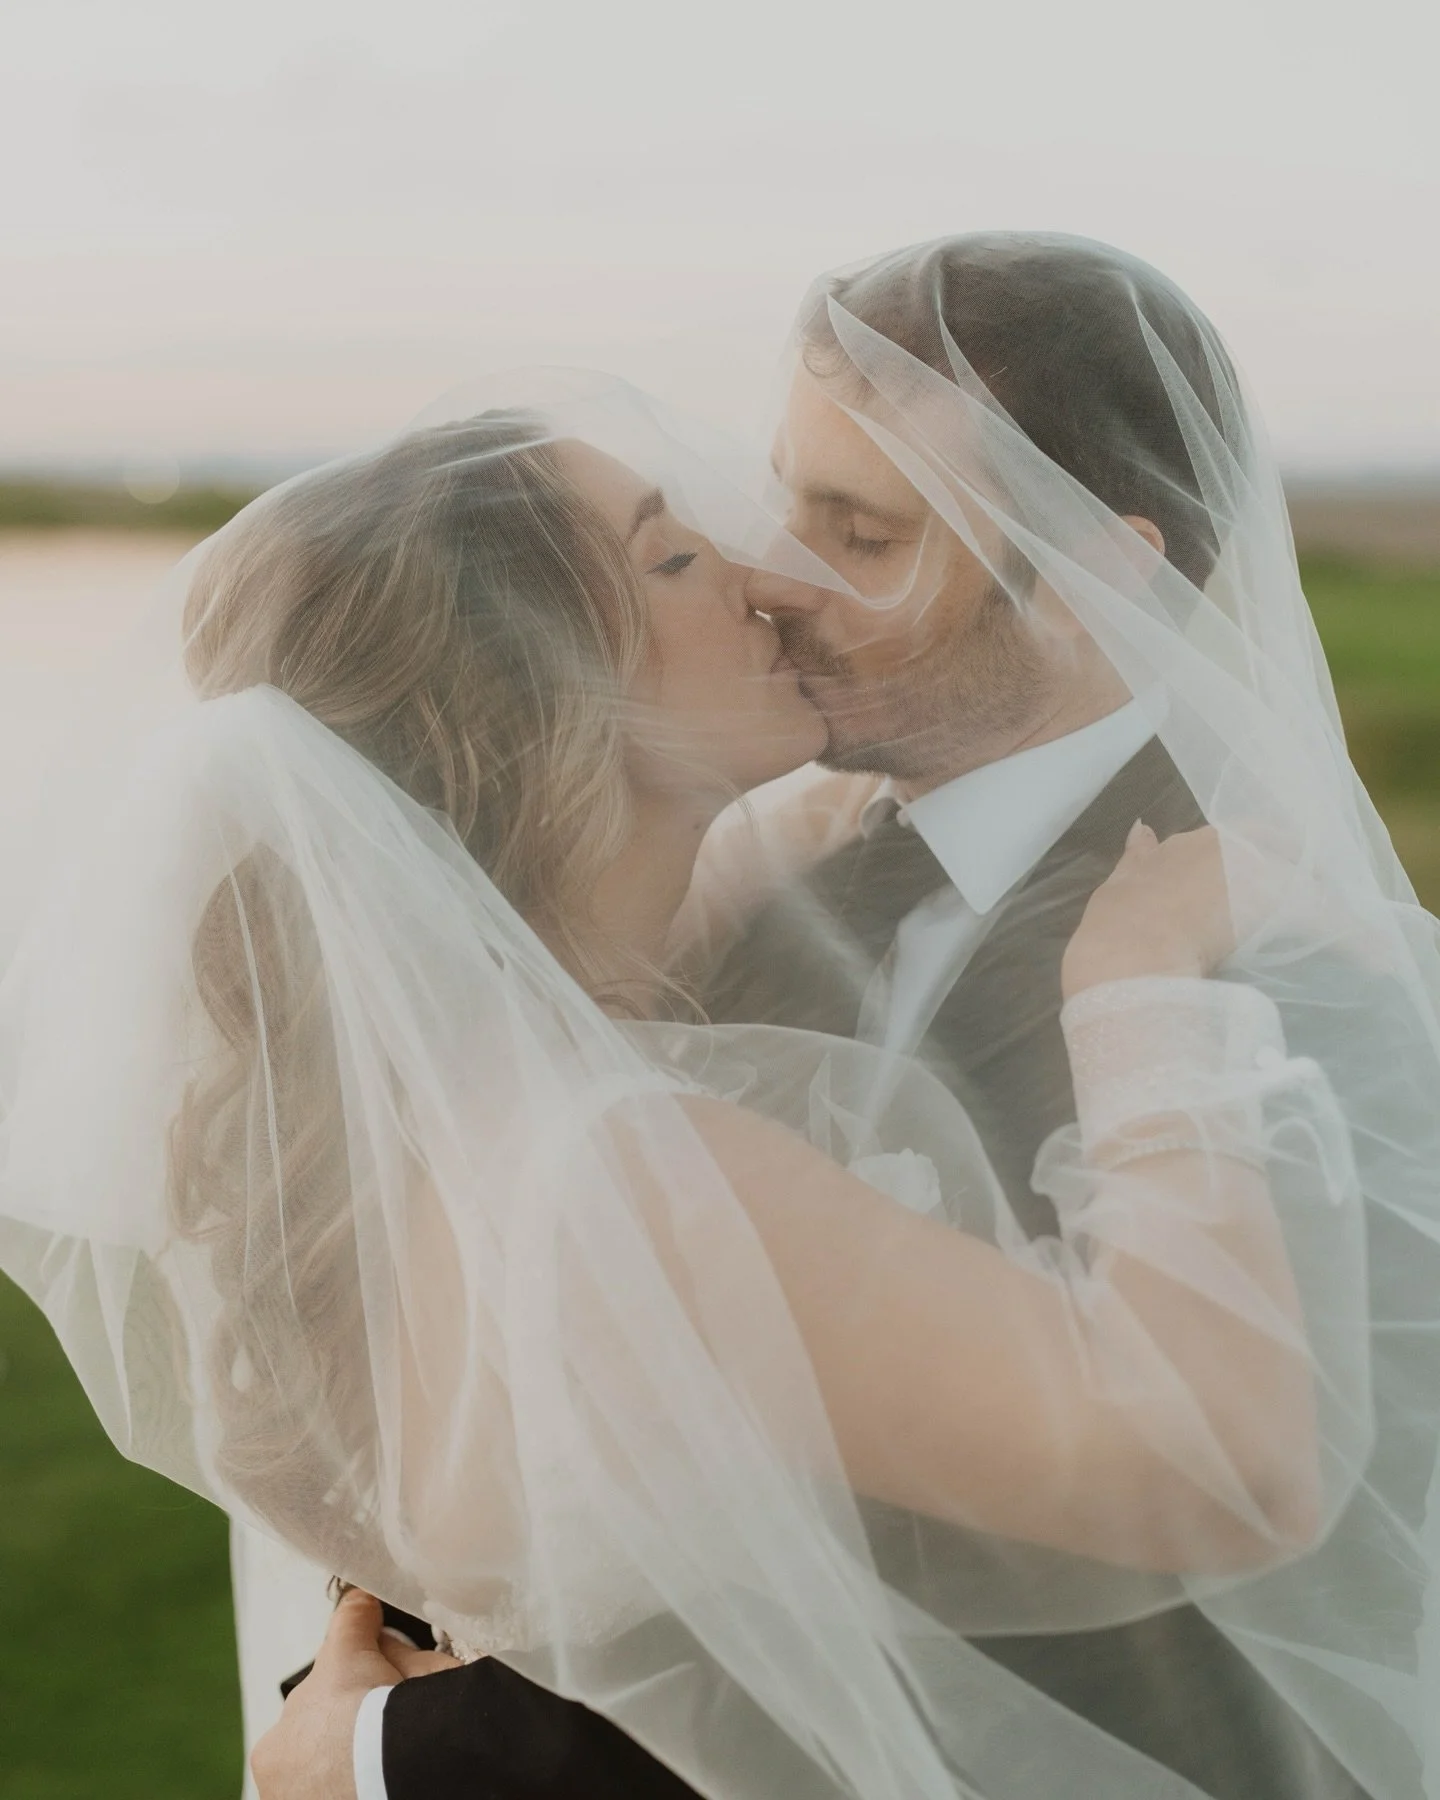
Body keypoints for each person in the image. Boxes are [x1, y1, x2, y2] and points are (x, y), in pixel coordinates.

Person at [0, 244, 1420, 1800]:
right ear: (548, 703)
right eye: (691, 551)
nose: (774, 573)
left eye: (858, 529)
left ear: (1098, 569)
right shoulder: (619, 1088)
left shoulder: (1267, 957)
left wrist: (392, 1745)